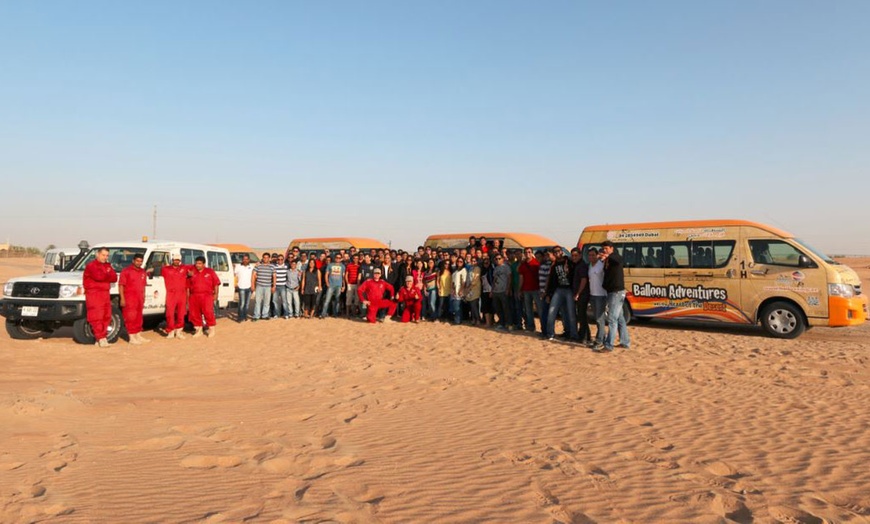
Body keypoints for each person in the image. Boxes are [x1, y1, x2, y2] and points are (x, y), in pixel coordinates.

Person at [83, 247, 117, 347]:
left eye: (107, 255)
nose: (105, 257)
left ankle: (101, 338)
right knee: (97, 316)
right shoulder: (91, 266)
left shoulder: (107, 265)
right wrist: (107, 274)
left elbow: (114, 277)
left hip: (105, 293)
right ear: (97, 254)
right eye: (103, 255)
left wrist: (106, 273)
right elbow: (98, 276)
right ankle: (101, 337)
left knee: (106, 316)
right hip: (94, 294)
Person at [601, 241, 630, 351]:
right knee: (620, 318)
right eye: (603, 248)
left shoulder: (616, 257)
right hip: (611, 291)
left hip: (616, 292)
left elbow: (618, 260)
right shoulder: (608, 260)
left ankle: (609, 345)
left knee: (612, 319)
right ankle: (625, 342)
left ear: (611, 248)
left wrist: (607, 256)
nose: (604, 250)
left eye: (606, 248)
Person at [545, 247, 578, 342]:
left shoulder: (569, 261)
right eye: (555, 252)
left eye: (558, 251)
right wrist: (548, 294)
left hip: (569, 289)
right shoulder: (554, 265)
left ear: (562, 252)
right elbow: (551, 280)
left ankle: (573, 335)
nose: (557, 253)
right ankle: (550, 333)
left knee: (571, 313)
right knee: (552, 311)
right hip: (558, 289)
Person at [118, 252, 149, 344]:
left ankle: (138, 334)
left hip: (139, 298)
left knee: (138, 317)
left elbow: (143, 286)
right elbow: (121, 285)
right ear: (133, 261)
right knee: (130, 316)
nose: (139, 263)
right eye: (137, 261)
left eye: (141, 261)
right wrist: (122, 298)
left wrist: (143, 297)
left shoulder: (143, 272)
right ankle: (131, 337)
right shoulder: (126, 271)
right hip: (129, 298)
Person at [188, 256, 220, 337]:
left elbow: (216, 283)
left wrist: (216, 294)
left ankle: (211, 329)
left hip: (207, 296)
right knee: (195, 313)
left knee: (208, 312)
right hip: (194, 296)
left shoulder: (210, 271)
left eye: (199, 263)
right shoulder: (192, 272)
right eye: (196, 263)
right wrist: (188, 297)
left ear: (204, 264)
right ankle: (199, 331)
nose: (197, 265)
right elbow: (188, 286)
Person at [163, 250, 189, 339]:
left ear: (180, 260)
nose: (176, 261)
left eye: (178, 260)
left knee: (181, 314)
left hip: (182, 294)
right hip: (171, 294)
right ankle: (170, 331)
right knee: (170, 313)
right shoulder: (166, 269)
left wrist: (191, 274)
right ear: (172, 260)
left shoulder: (184, 268)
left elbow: (194, 270)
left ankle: (179, 331)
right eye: (175, 260)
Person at [587, 247, 607, 350]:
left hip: (601, 295)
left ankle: (600, 341)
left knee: (600, 319)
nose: (591, 257)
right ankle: (601, 338)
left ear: (597, 255)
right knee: (597, 318)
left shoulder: (602, 264)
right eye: (589, 255)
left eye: (593, 255)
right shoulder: (590, 265)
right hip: (593, 295)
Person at [572, 248, 591, 344]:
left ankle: (584, 337)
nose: (574, 257)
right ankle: (586, 336)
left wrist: (578, 294)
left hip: (583, 294)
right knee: (582, 316)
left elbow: (584, 280)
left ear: (580, 255)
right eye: (573, 256)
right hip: (581, 294)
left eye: (576, 255)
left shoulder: (582, 266)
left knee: (582, 316)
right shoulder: (577, 265)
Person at [518, 247, 540, 333]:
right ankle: (531, 327)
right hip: (526, 290)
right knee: (528, 310)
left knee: (540, 309)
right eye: (526, 252)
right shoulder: (523, 265)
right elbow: (521, 278)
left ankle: (544, 328)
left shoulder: (536, 263)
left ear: (532, 253)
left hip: (536, 289)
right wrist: (520, 290)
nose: (528, 254)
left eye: (529, 252)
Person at [491, 253, 513, 330]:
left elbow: (509, 278)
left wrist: (508, 289)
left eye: (499, 258)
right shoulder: (496, 268)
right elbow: (494, 280)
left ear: (502, 259)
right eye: (496, 259)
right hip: (496, 291)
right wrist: (492, 290)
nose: (498, 260)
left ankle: (509, 324)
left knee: (506, 308)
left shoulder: (506, 267)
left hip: (503, 290)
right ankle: (501, 323)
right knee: (498, 309)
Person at [251, 253, 275, 321]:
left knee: (266, 302)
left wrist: (274, 286)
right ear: (262, 258)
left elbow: (274, 276)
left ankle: (265, 315)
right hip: (259, 286)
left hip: (268, 286)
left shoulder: (272, 266)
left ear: (269, 258)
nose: (265, 259)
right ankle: (256, 316)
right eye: (264, 257)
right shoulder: (258, 266)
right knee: (257, 301)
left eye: (267, 257)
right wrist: (252, 285)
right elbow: (253, 275)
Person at [233, 254, 254, 322]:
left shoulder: (251, 266)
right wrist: (235, 284)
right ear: (242, 260)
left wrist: (253, 286)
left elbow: (253, 277)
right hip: (241, 287)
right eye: (244, 259)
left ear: (249, 260)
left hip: (249, 287)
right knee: (242, 303)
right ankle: (240, 317)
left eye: (246, 259)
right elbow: (234, 276)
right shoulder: (238, 267)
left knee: (247, 304)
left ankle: (245, 316)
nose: (245, 260)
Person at [537, 249, 552, 336]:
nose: (546, 257)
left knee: (546, 313)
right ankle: (545, 331)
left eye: (547, 255)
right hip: (543, 291)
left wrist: (545, 292)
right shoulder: (543, 265)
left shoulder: (548, 265)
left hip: (546, 292)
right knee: (544, 312)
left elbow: (548, 280)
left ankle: (546, 332)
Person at [464, 257, 482, 326]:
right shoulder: (470, 269)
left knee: (474, 305)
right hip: (469, 289)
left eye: (474, 261)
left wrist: (469, 287)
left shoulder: (477, 268)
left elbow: (475, 279)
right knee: (471, 305)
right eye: (472, 261)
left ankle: (477, 319)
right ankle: (474, 319)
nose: (473, 262)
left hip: (475, 288)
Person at [449, 259, 467, 325]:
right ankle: (456, 319)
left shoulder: (463, 270)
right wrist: (453, 289)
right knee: (454, 306)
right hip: (454, 291)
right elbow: (453, 282)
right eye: (458, 261)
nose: (459, 263)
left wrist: (461, 290)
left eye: (461, 261)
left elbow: (464, 281)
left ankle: (458, 320)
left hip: (459, 290)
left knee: (457, 306)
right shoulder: (455, 271)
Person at [272, 254, 290, 319]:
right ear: (277, 260)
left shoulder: (286, 266)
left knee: (284, 301)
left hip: (283, 286)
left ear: (283, 260)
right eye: (278, 259)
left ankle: (286, 314)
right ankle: (276, 314)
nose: (280, 260)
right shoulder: (274, 266)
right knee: (275, 301)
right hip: (276, 286)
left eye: (281, 259)